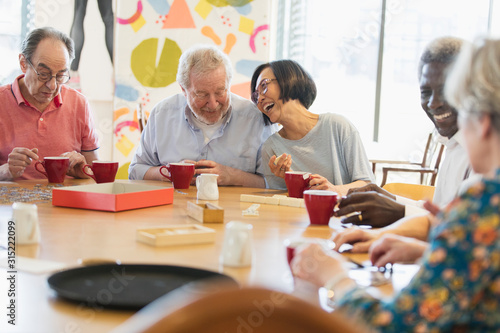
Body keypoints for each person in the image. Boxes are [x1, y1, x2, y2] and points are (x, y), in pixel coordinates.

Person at [292, 37, 500, 332]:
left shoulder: (484, 202)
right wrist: (424, 253)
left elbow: (395, 326)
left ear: (484, 122)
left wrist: (333, 275)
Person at [336, 37, 472, 228]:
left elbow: (465, 231)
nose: (433, 103)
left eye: (445, 90)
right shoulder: (452, 144)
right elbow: (439, 213)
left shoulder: (481, 151)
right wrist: (388, 199)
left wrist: (399, 212)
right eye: (426, 92)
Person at [128, 45, 276, 187]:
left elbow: (274, 184)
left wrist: (232, 176)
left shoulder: (256, 118)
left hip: (237, 212)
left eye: (220, 92)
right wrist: (169, 173)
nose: (212, 104)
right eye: (201, 94)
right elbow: (136, 170)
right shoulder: (162, 114)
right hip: (174, 209)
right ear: (184, 90)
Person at [250, 60, 373, 195]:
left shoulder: (338, 126)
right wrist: (290, 179)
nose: (260, 99)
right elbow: (280, 201)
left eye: (264, 86)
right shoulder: (271, 148)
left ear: (289, 80)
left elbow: (367, 184)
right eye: (256, 96)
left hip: (344, 214)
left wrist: (335, 190)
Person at [0, 27, 100, 181]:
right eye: (43, 74)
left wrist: (83, 172)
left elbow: (96, 173)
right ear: (23, 63)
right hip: (13, 204)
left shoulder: (79, 103)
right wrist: (5, 171)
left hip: (68, 202)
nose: (52, 85)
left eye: (60, 76)